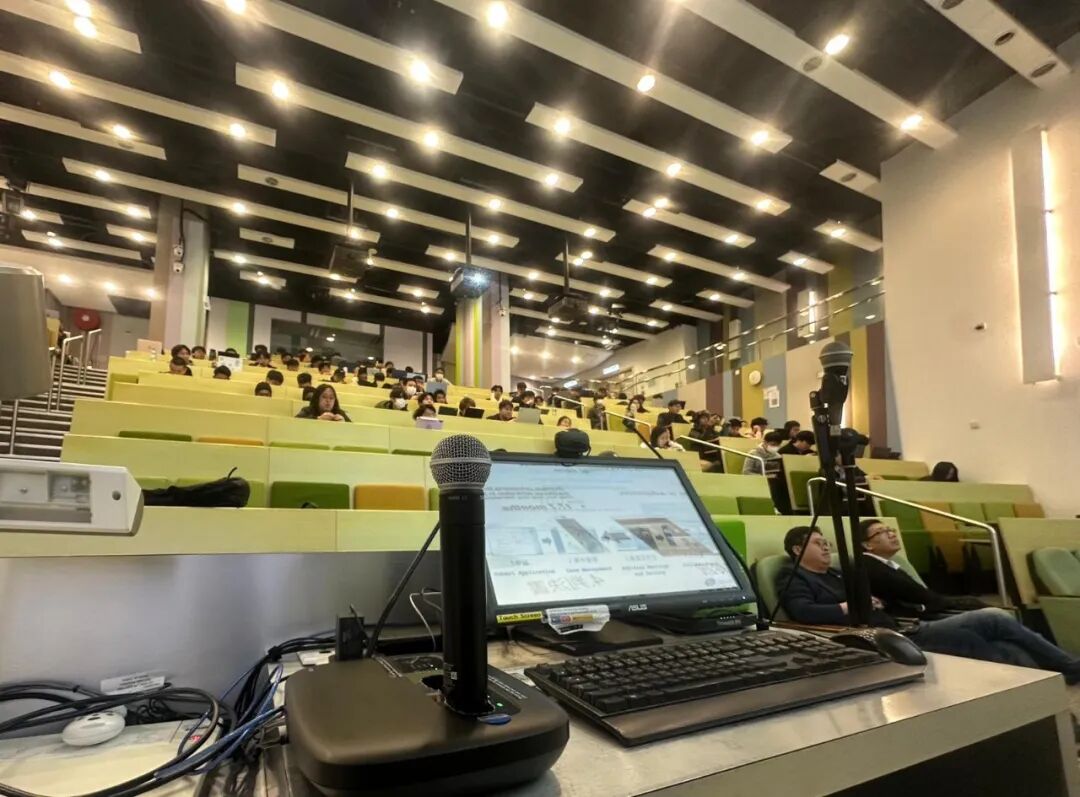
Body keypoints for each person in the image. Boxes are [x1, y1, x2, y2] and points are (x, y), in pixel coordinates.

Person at [780, 527, 1080, 682]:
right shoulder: (793, 576)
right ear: (797, 549)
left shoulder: (836, 574)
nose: (826, 548)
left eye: (827, 543)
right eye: (819, 543)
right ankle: (1047, 682)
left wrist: (869, 600)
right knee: (984, 628)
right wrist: (848, 606)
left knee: (1002, 638)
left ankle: (1047, 688)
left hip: (903, 627)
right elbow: (802, 611)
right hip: (887, 639)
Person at [856, 519, 987, 617]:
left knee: (977, 606)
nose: (892, 534)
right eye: (882, 532)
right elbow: (921, 596)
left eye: (891, 530)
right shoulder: (871, 566)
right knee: (987, 614)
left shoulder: (885, 564)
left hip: (926, 609)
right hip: (917, 619)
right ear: (867, 545)